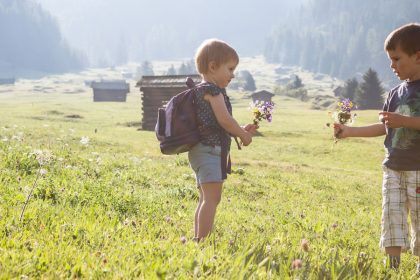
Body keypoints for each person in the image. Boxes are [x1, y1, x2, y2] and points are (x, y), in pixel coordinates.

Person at [334, 23, 420, 271]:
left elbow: (400, 122)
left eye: (396, 59)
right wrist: (349, 132)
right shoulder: (395, 92)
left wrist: (403, 121)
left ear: (417, 56)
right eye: (390, 59)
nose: (392, 65)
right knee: (392, 215)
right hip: (393, 167)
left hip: (418, 170)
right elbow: (384, 126)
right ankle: (392, 266)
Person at [189, 39, 257, 241]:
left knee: (205, 198)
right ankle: (202, 241)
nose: (233, 74)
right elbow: (225, 120)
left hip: (201, 150)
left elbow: (219, 124)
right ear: (212, 67)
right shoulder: (213, 91)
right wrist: (243, 135)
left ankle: (198, 237)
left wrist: (240, 129)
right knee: (212, 198)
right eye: (230, 68)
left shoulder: (202, 90)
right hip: (209, 151)